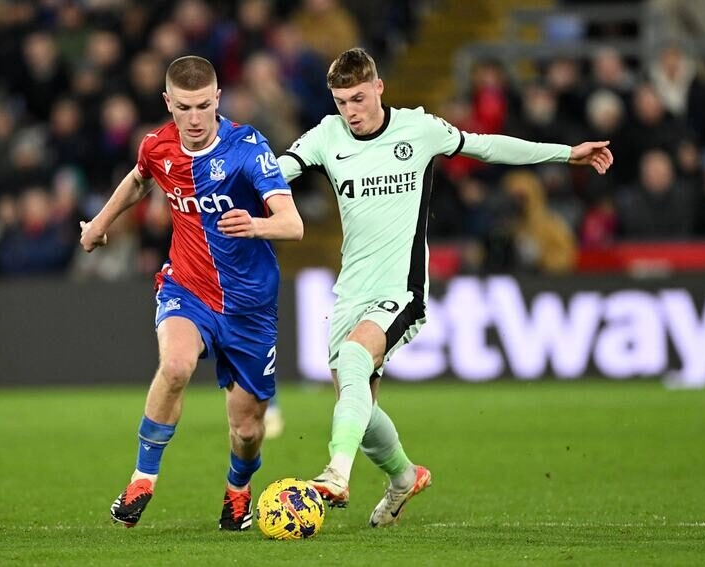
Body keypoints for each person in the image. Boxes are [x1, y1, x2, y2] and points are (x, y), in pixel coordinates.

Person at [276, 47, 613, 527]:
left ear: (378, 87)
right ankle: (404, 477)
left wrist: (565, 154)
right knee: (360, 406)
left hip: (402, 288)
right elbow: (274, 173)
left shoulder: (419, 129)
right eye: (340, 101)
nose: (349, 111)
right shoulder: (327, 136)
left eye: (356, 98)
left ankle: (335, 473)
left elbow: (488, 146)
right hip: (350, 290)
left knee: (354, 359)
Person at [79, 55, 303, 530]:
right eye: (185, 107)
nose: (196, 118)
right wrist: (100, 224)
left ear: (218, 99)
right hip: (187, 287)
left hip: (250, 308)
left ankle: (238, 490)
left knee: (246, 429)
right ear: (168, 103)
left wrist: (257, 225)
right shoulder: (159, 146)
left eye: (204, 105)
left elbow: (293, 223)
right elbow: (140, 178)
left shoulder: (247, 148)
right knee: (176, 366)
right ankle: (143, 477)